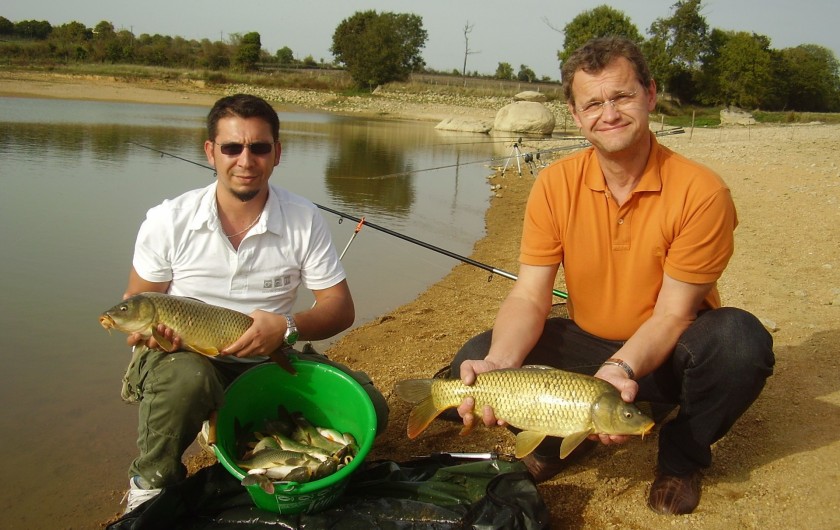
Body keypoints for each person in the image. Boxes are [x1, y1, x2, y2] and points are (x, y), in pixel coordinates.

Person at [448, 37, 774, 515]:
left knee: (740, 341)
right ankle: (559, 439)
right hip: (587, 343)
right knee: (477, 357)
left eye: (622, 96)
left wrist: (618, 372)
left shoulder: (701, 192)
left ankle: (681, 458)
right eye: (593, 103)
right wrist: (500, 362)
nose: (610, 113)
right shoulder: (555, 184)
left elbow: (673, 314)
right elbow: (531, 296)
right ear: (575, 115)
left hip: (668, 351)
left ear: (650, 94)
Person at [118, 93, 389, 513]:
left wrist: (287, 327)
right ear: (210, 152)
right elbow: (137, 306)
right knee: (188, 378)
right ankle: (150, 481)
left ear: (277, 153)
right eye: (232, 148)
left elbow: (339, 307)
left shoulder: (303, 218)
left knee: (374, 410)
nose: (246, 161)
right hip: (187, 358)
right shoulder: (168, 219)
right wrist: (154, 337)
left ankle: (230, 425)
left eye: (259, 148)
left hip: (268, 354)